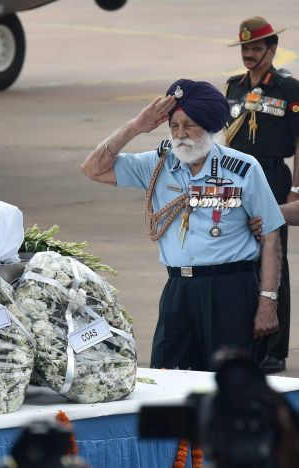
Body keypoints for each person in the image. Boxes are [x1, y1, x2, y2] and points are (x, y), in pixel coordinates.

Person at [81, 79, 284, 371]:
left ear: (209, 126)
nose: (180, 135)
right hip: (179, 290)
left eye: (189, 125)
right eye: (174, 126)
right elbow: (93, 169)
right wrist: (137, 126)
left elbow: (271, 236)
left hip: (230, 290)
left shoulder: (243, 168)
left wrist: (268, 302)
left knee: (230, 387)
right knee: (168, 381)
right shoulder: (158, 164)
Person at [225, 16, 299, 373]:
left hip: (272, 178)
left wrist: (296, 189)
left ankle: (274, 349)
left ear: (272, 50)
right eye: (245, 48)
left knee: (273, 258)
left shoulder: (288, 89)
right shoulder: (233, 87)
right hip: (237, 180)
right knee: (240, 257)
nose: (249, 54)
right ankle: (247, 340)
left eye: (255, 48)